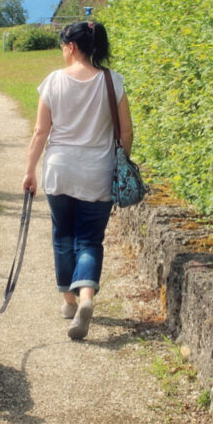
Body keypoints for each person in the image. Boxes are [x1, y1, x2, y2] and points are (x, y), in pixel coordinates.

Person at [22, 21, 133, 340]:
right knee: (89, 240)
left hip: (59, 170)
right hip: (97, 173)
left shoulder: (54, 81)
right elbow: (126, 132)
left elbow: (41, 131)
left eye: (62, 45)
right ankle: (86, 296)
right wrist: (119, 165)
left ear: (71, 46)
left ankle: (69, 302)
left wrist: (30, 170)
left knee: (63, 236)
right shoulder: (113, 81)